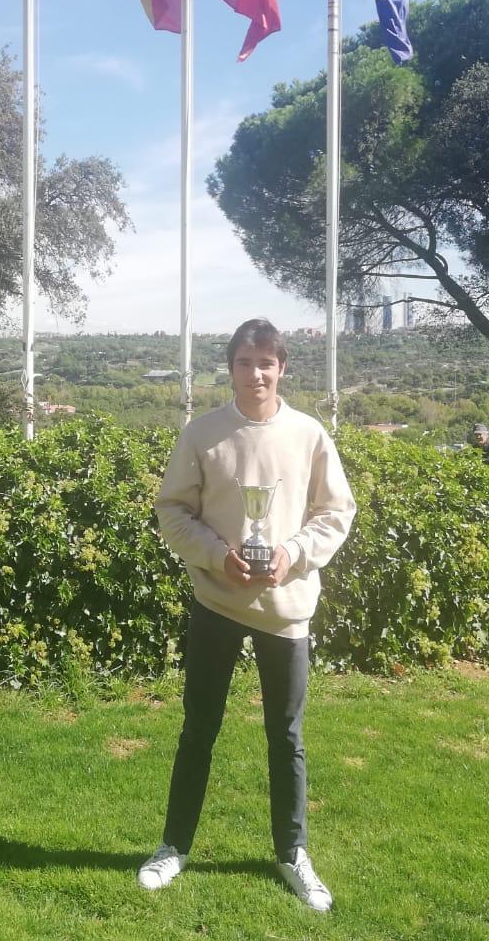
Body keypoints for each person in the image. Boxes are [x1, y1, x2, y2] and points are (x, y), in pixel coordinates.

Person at [137, 318, 356, 912]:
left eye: (266, 362)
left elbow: (336, 513)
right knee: (198, 728)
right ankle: (172, 846)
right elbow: (173, 511)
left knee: (286, 737)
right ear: (229, 368)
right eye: (243, 362)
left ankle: (293, 854)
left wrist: (292, 553)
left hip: (286, 611)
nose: (254, 373)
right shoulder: (203, 434)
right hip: (217, 602)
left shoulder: (309, 435)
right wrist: (217, 556)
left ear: (282, 367)